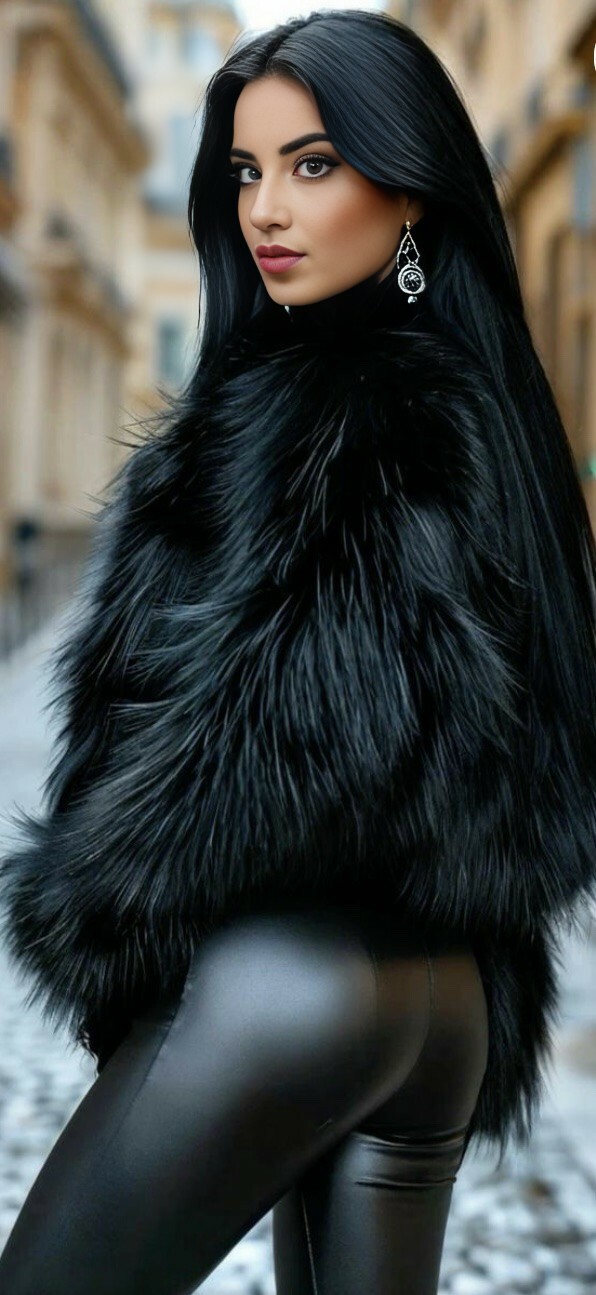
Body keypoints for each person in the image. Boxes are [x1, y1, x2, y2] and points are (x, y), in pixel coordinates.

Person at [1, 9, 595, 1294]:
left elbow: (304, 733)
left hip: (287, 983)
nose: (266, 208)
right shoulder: (480, 402)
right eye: (245, 169)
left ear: (410, 187)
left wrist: (100, 900)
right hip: (446, 997)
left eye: (313, 164)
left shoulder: (348, 410)